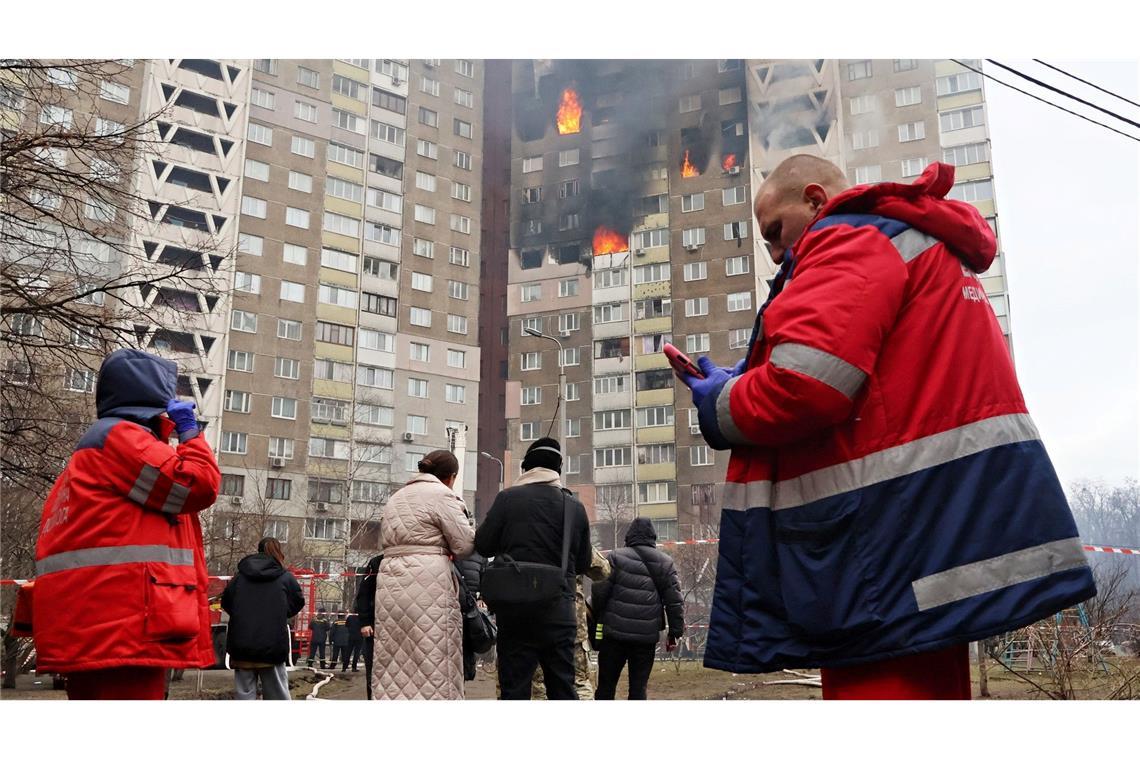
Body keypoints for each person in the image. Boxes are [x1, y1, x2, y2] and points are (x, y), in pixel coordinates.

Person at [683, 155, 1097, 699]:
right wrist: (752, 374)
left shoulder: (848, 239)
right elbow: (875, 382)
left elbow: (804, 388)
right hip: (935, 534)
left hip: (883, 547)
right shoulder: (919, 244)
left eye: (776, 233)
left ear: (814, 199)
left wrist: (719, 402)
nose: (777, 254)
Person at [31, 348, 220, 699]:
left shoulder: (95, 448)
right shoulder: (121, 439)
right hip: (126, 625)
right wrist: (190, 434)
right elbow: (197, 484)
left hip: (101, 623)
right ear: (153, 396)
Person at [475, 438, 591, 700]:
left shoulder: (507, 499)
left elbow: (483, 545)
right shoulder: (574, 507)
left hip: (515, 613)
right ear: (558, 469)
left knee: (514, 689)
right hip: (559, 611)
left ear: (526, 468)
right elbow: (583, 563)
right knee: (562, 688)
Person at [372, 449, 475, 700]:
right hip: (430, 580)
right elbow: (464, 545)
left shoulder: (396, 498)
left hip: (390, 581)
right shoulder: (443, 496)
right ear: (451, 476)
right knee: (434, 656)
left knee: (392, 660)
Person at [594, 518, 683, 700]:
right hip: (645, 639)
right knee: (638, 689)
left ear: (629, 535)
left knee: (606, 687)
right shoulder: (665, 563)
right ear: (653, 536)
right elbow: (674, 601)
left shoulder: (615, 557)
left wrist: (598, 619)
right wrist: (675, 632)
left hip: (613, 636)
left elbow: (599, 592)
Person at [220, 537, 305, 700]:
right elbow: (298, 601)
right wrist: (281, 613)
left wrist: (242, 616)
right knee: (277, 696)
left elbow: (226, 602)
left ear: (258, 550)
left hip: (242, 647)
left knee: (244, 697)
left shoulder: (239, 577)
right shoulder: (285, 577)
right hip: (271, 648)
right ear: (278, 552)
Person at [531, 545, 611, 700]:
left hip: (534, 620)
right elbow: (603, 570)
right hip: (571, 622)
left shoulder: (524, 533)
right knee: (578, 682)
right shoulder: (570, 531)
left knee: (538, 685)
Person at [353, 554, 383, 699]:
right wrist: (365, 622)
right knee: (375, 672)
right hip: (376, 628)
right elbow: (363, 594)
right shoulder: (376, 563)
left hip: (407, 628)